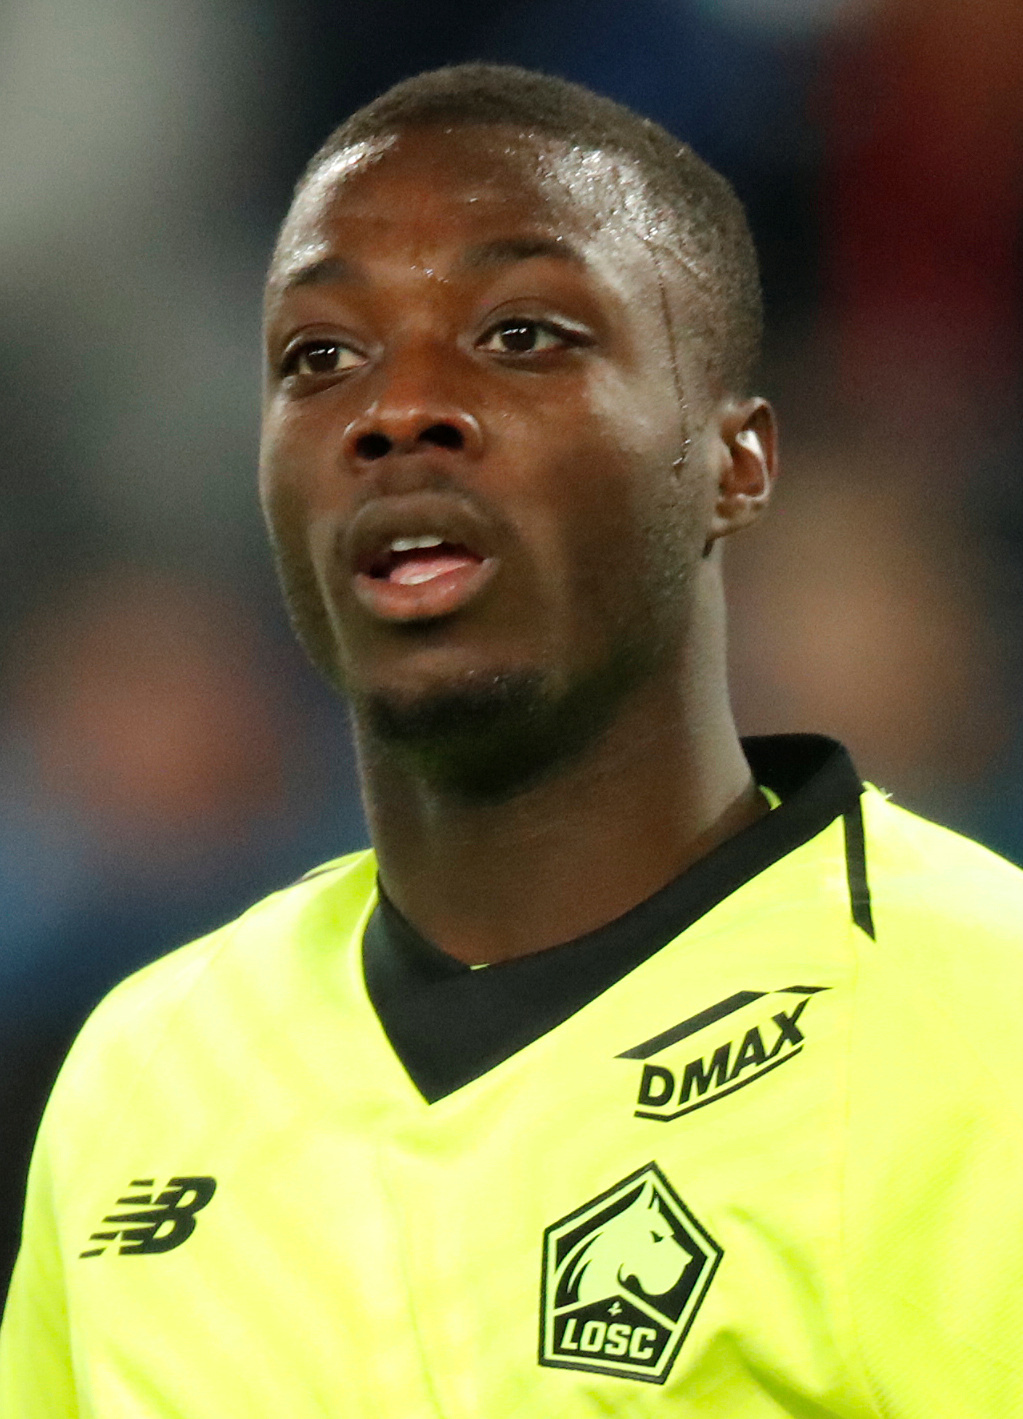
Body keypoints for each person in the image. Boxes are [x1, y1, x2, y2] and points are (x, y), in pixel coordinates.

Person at [2, 63, 1022, 1418]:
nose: (395, 409)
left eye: (525, 334)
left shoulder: (983, 1024)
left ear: (738, 462)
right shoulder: (141, 1075)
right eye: (320, 357)